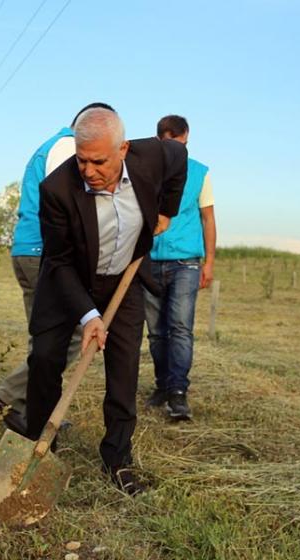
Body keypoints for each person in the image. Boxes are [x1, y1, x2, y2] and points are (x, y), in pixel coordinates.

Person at [25, 107, 187, 495]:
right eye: (82, 160)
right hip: (67, 282)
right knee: (45, 359)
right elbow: (60, 263)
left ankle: (117, 458)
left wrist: (167, 209)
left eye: (98, 161)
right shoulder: (57, 191)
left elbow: (179, 158)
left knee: (124, 369)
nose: (89, 170)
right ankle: (37, 448)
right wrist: (88, 316)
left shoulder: (154, 157)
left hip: (122, 280)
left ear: (124, 149)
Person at [0, 102, 114, 433]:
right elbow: (69, 205)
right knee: (60, 337)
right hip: (42, 251)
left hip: (35, 250)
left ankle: (31, 406)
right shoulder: (67, 147)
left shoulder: (55, 145)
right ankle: (10, 397)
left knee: (48, 337)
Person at [143, 115, 216, 420]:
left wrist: (209, 262)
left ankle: (178, 393)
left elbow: (208, 219)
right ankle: (162, 385)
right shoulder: (145, 170)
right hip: (148, 260)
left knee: (180, 328)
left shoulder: (199, 173)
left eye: (177, 141)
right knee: (156, 334)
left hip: (186, 262)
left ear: (185, 138)